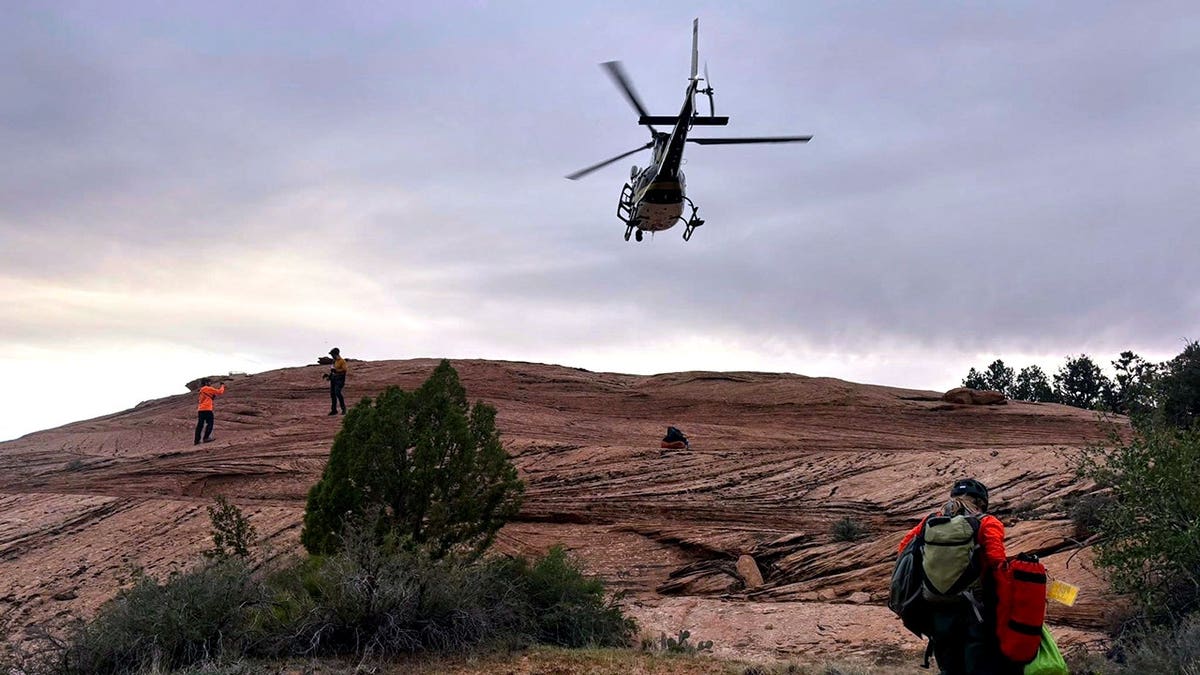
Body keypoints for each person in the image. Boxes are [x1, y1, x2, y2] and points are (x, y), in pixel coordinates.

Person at [897, 478, 1018, 675]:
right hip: (975, 609)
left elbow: (904, 548)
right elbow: (997, 561)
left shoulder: (931, 521)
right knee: (979, 665)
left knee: (949, 664)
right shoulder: (987, 522)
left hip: (936, 606)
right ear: (981, 502)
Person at [194, 378, 226, 445]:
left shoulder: (201, 390)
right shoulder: (208, 388)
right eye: (209, 382)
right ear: (206, 383)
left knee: (200, 425)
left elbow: (202, 399)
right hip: (207, 409)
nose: (210, 383)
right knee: (210, 423)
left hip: (200, 409)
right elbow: (220, 392)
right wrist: (222, 386)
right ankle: (206, 438)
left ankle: (196, 440)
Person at [326, 347, 348, 415]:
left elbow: (344, 370)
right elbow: (332, 370)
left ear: (336, 354)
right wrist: (329, 376)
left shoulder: (342, 361)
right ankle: (334, 410)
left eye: (332, 354)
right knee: (333, 394)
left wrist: (336, 371)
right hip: (333, 379)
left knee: (337, 393)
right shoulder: (334, 361)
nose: (332, 356)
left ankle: (343, 409)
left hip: (340, 380)